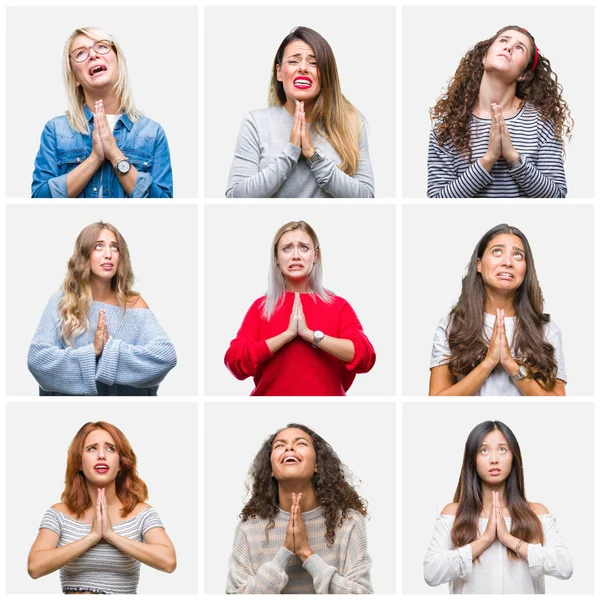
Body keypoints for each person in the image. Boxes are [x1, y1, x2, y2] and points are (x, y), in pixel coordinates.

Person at [224, 221, 375, 395]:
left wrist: (310, 335)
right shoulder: (261, 307)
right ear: (276, 258)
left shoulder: (338, 306)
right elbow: (235, 363)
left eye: (304, 247)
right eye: (287, 248)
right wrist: (287, 335)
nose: (295, 256)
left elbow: (365, 358)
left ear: (315, 255)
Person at [28, 221, 177, 395]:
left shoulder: (134, 305)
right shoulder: (64, 301)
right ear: (85, 254)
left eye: (114, 247)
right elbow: (37, 360)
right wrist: (93, 351)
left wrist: (110, 351)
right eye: (98, 247)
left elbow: (166, 356)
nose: (108, 254)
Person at [423, 420, 572, 593]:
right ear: (473, 459)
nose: (494, 459)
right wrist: (485, 539)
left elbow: (565, 567)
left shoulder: (536, 513)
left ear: (513, 456)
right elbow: (431, 572)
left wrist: (509, 540)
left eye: (502, 449)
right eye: (484, 450)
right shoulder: (454, 514)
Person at [27, 421, 176, 594]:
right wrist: (92, 536)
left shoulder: (141, 513)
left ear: (121, 464)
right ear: (79, 463)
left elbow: (168, 561)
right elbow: (35, 567)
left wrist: (111, 535)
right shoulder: (59, 513)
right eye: (91, 448)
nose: (101, 455)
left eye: (111, 448)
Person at [226, 26, 374, 198]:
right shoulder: (255, 123)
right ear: (279, 72)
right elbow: (236, 196)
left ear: (326, 74)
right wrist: (291, 152)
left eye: (314, 63)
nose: (303, 68)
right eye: (294, 61)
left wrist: (313, 155)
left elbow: (366, 196)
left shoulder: (353, 122)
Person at [427, 25, 573, 198]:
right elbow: (437, 199)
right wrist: (488, 159)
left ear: (523, 75)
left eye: (520, 48)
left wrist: (512, 157)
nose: (509, 47)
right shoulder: (447, 125)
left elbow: (557, 196)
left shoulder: (541, 121)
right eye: (503, 40)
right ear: (484, 56)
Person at [226, 423, 373, 594]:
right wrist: (285, 553)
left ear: (317, 464)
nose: (289, 447)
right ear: (271, 469)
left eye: (301, 443)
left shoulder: (349, 523)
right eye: (280, 445)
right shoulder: (248, 529)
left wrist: (307, 555)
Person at [32, 27, 173, 198]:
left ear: (118, 61)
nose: (93, 55)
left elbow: (162, 202)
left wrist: (114, 154)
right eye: (80, 53)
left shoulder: (153, 133)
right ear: (75, 77)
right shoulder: (55, 130)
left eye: (101, 46)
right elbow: (40, 198)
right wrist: (94, 159)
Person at [429, 224, 566, 396]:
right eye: (497, 252)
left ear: (526, 269)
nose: (508, 263)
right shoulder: (451, 326)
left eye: (518, 255)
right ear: (479, 264)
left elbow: (558, 403)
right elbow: (436, 400)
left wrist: (510, 364)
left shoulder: (547, 330)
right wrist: (489, 363)